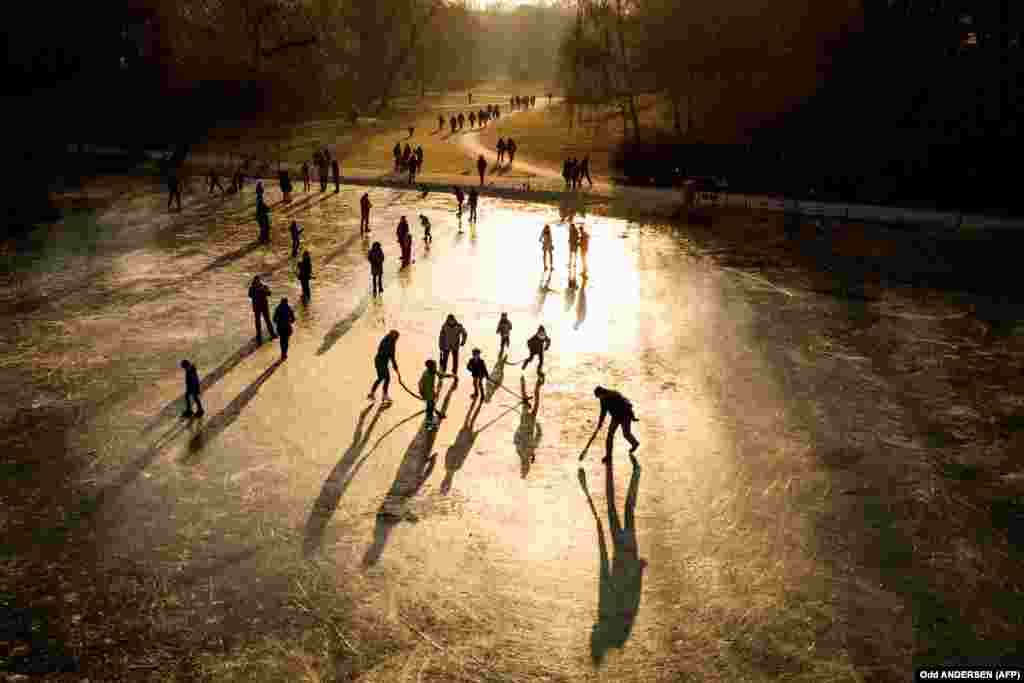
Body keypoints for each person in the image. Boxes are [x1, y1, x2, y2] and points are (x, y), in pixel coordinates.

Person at [585, 386, 640, 464]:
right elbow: (603, 412)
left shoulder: (615, 394)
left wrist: (633, 416)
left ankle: (635, 443)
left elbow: (627, 404)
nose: (599, 398)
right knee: (609, 436)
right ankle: (608, 456)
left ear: (602, 393)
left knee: (626, 434)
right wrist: (600, 423)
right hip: (615, 418)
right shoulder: (602, 400)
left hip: (625, 416)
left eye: (599, 396)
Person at [420, 359, 454, 431]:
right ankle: (429, 424)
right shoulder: (427, 375)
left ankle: (433, 418)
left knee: (431, 406)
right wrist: (423, 394)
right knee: (430, 410)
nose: (436, 367)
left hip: (430, 394)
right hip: (429, 395)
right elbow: (421, 384)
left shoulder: (430, 371)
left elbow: (441, 374)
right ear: (431, 367)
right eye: (435, 366)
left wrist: (451, 376)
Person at [368, 330, 400, 405]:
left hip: (382, 362)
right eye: (396, 337)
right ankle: (384, 395)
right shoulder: (388, 342)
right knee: (386, 378)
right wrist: (394, 365)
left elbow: (391, 356)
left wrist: (395, 365)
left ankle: (372, 394)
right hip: (380, 362)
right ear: (393, 336)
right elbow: (390, 355)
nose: (397, 339)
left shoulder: (389, 341)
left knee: (381, 378)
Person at [248, 276, 275, 342]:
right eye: (256, 281)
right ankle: (259, 336)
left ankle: (272, 334)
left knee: (268, 320)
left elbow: (269, 293)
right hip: (256, 307)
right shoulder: (252, 288)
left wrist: (264, 290)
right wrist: (256, 290)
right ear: (254, 281)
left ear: (260, 281)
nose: (257, 282)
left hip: (264, 307)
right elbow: (250, 295)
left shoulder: (264, 286)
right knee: (258, 322)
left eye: (258, 280)